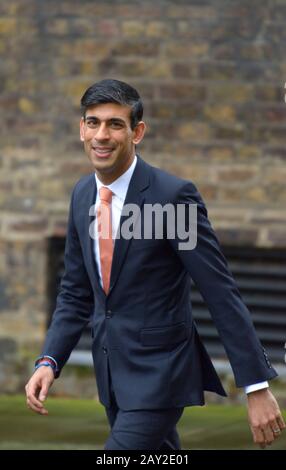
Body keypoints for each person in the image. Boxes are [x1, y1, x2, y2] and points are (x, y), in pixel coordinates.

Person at [25, 79, 285, 450]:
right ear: (82, 129)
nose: (102, 134)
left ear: (137, 132)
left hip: (161, 377)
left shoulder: (172, 198)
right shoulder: (82, 193)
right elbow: (75, 292)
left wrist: (256, 386)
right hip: (112, 377)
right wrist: (49, 360)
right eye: (94, 122)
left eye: (115, 124)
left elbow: (220, 292)